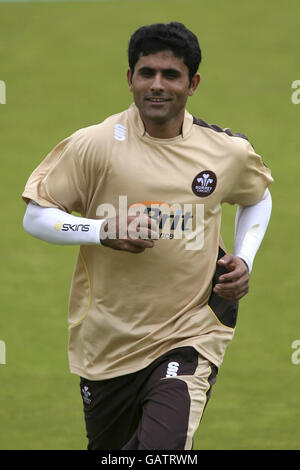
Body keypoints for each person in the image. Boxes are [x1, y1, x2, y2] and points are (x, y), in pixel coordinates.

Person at [22, 22, 273, 450]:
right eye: (146, 73)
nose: (157, 86)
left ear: (192, 84)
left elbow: (258, 196)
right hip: (107, 344)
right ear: (130, 78)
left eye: (171, 75)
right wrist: (102, 231)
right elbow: (37, 216)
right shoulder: (95, 145)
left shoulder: (225, 152)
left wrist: (245, 257)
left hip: (190, 333)